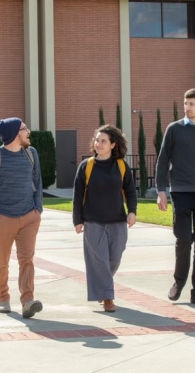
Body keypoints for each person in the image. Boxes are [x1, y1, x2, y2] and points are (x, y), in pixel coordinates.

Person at [156, 88, 195, 307]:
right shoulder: (174, 129)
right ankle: (178, 282)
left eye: (192, 103)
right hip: (181, 192)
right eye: (185, 103)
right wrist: (161, 190)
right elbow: (163, 160)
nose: (187, 107)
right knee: (183, 239)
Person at [0, 117, 44, 318]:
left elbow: (38, 182)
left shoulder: (31, 153)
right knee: (2, 260)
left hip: (29, 217)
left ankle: (27, 301)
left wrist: (37, 209)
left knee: (27, 259)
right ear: (16, 134)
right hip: (3, 217)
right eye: (25, 129)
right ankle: (3, 298)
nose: (28, 132)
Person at [72, 125, 137, 313]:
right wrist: (78, 220)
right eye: (97, 140)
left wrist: (131, 211)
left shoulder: (122, 166)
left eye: (103, 141)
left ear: (113, 145)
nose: (98, 144)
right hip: (93, 221)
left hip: (117, 220)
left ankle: (102, 286)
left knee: (115, 257)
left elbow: (131, 192)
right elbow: (77, 196)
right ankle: (107, 296)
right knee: (99, 260)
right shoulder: (87, 166)